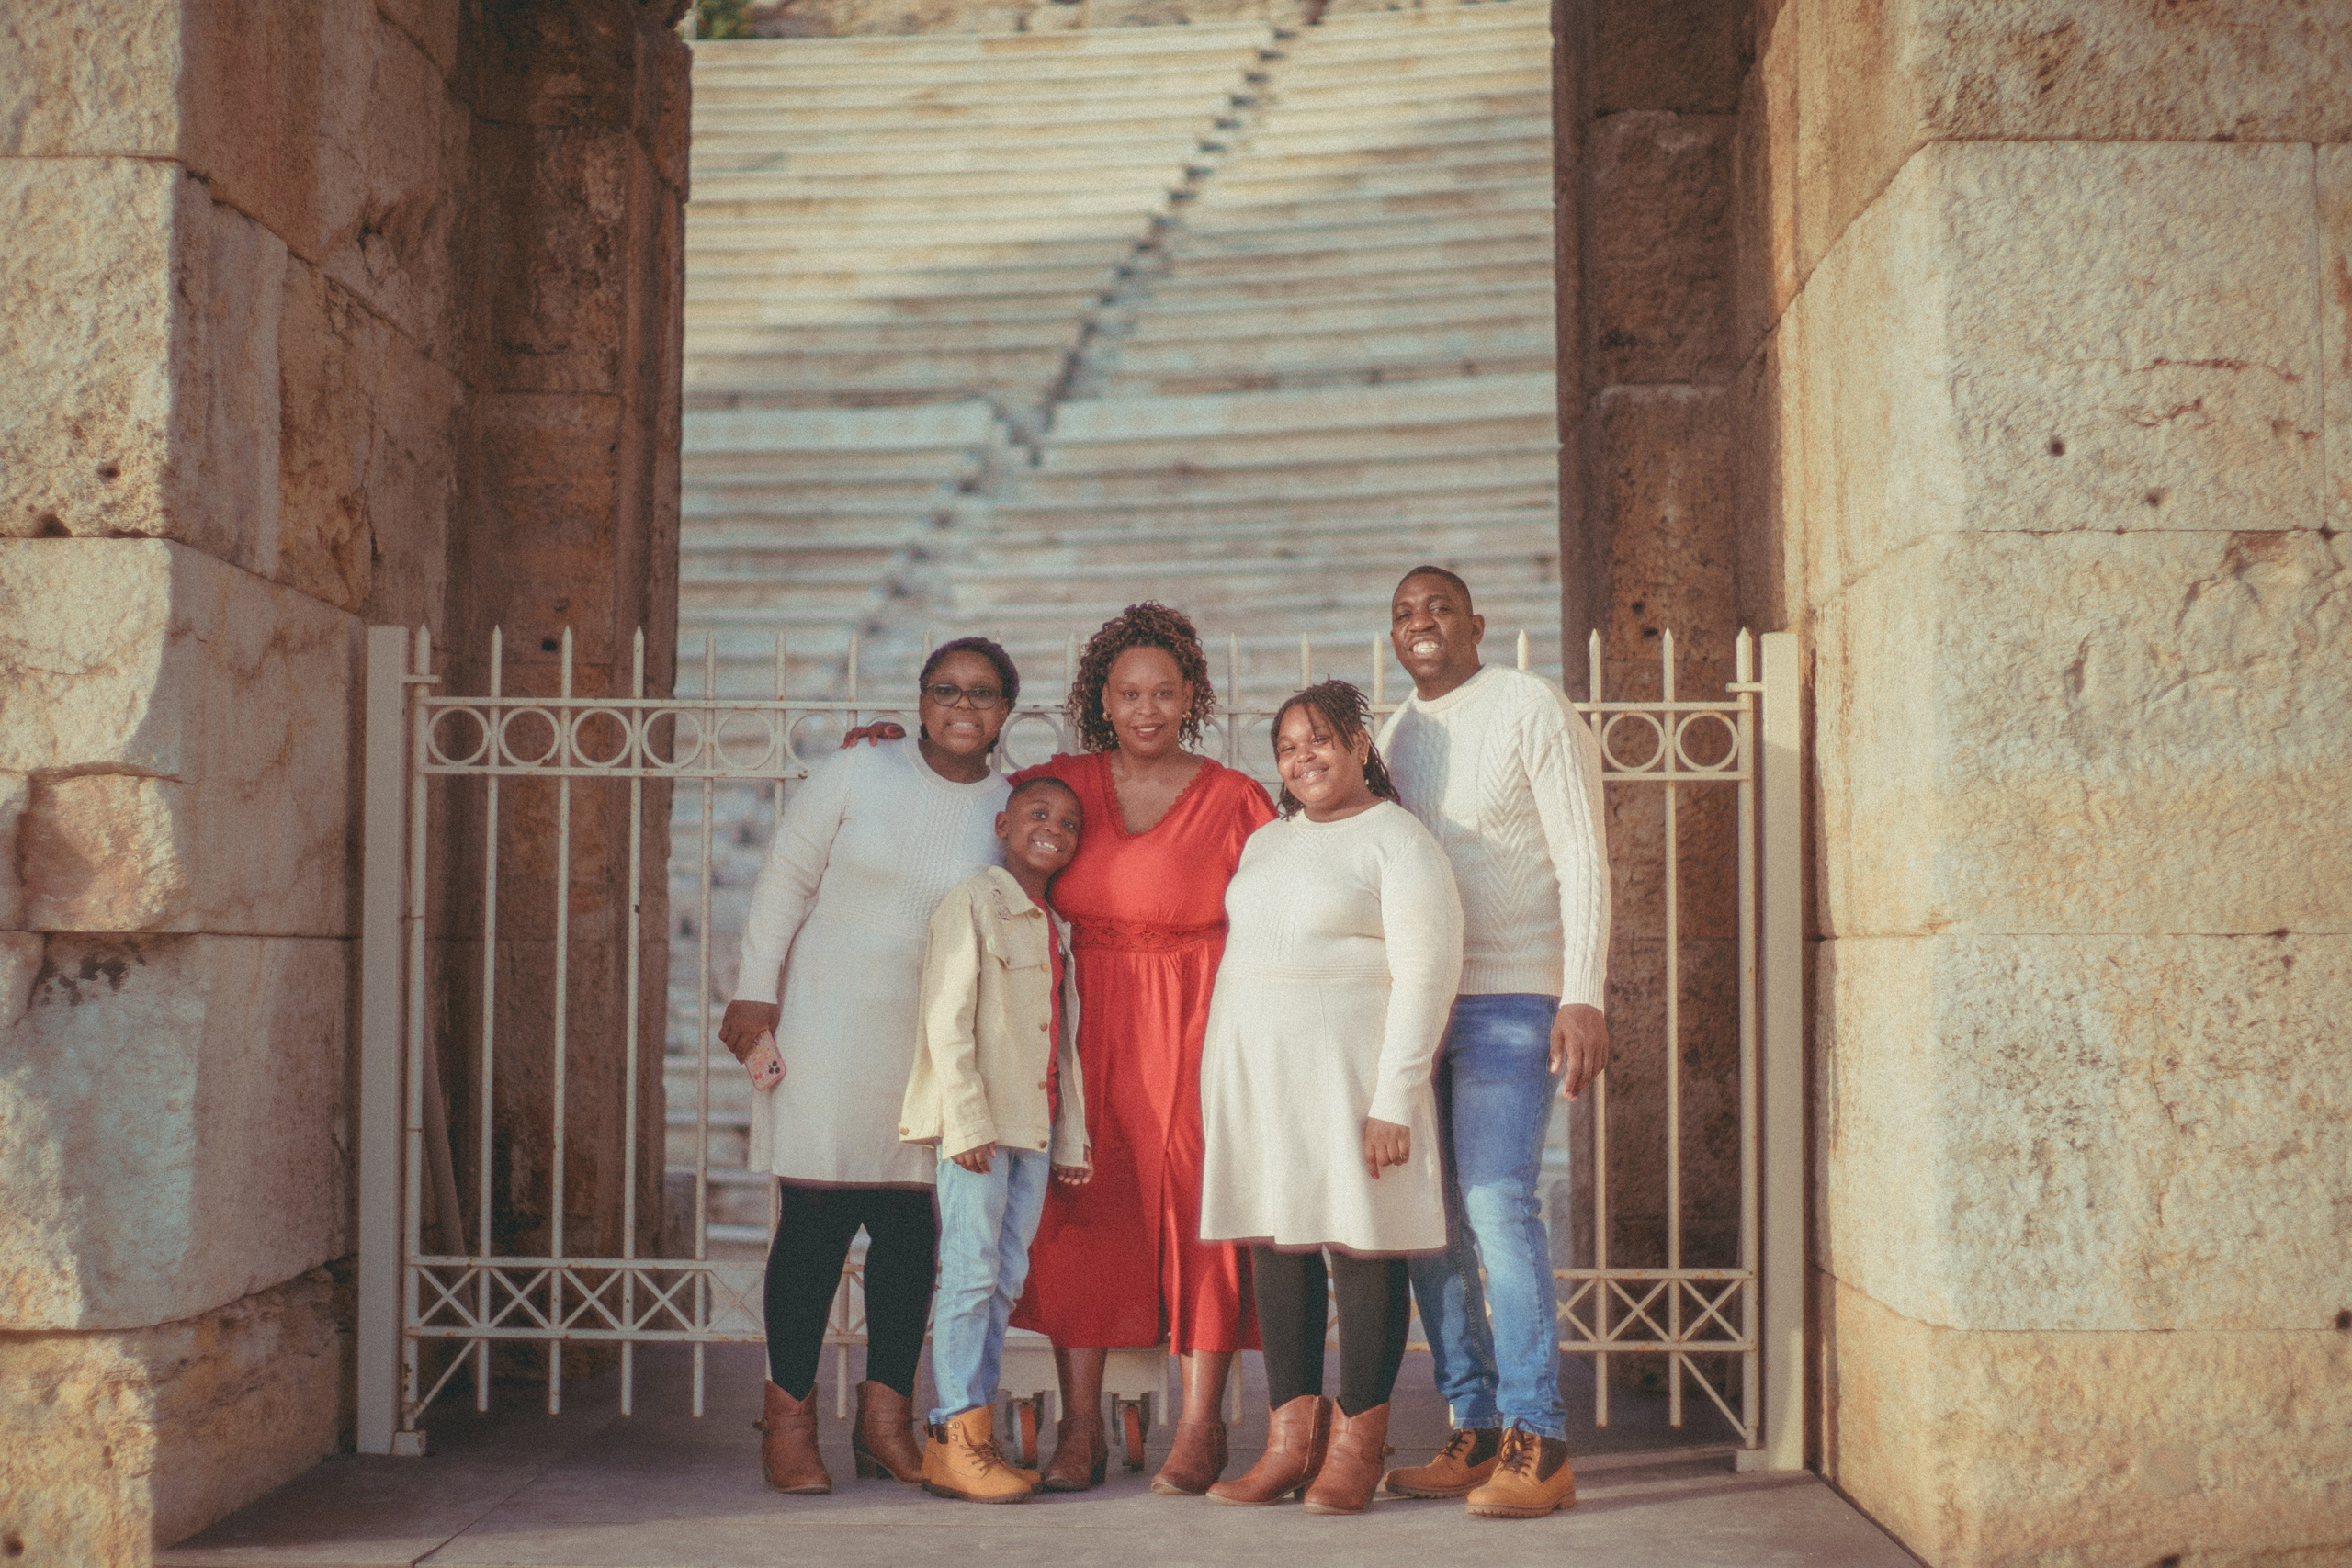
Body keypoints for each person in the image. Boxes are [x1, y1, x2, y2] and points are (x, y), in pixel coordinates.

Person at [834, 604, 1274, 1496]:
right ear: (1099, 699)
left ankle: (1199, 1429)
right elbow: (959, 805)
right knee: (1083, 1221)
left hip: (1199, 1024)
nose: (1145, 708)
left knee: (1209, 1219)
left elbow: (1287, 896)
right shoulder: (1056, 782)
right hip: (1074, 1029)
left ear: (1190, 695)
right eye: (1127, 692)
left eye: (1163, 692)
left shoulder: (1235, 796)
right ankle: (1080, 1431)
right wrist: (885, 754)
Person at [717, 637, 1023, 1496]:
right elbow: (784, 877)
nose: (964, 706)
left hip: (933, 1045)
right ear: (920, 698)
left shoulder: (1008, 806)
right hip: (829, 1024)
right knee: (814, 1222)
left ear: (1007, 711)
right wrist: (753, 994)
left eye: (984, 693)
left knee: (909, 1231)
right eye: (946, 689)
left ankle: (886, 1424)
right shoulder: (858, 770)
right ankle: (788, 1423)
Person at [1375, 566, 1611, 1520]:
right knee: (1429, 1227)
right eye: (1403, 612)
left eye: (1437, 606)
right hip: (1417, 1008)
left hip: (1514, 998)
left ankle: (1536, 1437)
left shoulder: (1527, 703)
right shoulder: (1395, 734)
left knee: (1496, 1206)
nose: (1420, 622)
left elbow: (1582, 851)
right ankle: (1472, 1428)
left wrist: (1582, 991)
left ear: (1476, 621)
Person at [1197, 682, 1464, 1515]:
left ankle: (1356, 1445)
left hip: (1356, 1082)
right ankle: (1289, 1445)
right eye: (1286, 746)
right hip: (1265, 1082)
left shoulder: (1398, 839)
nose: (1302, 757)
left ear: (1357, 742)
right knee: (1278, 1246)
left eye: (1319, 739)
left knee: (1362, 1246)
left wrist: (1395, 1096)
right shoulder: (1268, 841)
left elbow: (1428, 975)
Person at [899, 776, 1094, 1504]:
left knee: (1004, 1278)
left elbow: (1062, 1045)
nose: (1055, 828)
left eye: (1070, 822)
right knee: (970, 1271)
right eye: (1039, 814)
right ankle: (955, 1430)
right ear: (1005, 823)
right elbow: (945, 1016)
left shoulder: (1055, 926)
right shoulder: (976, 898)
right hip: (981, 1128)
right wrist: (967, 1120)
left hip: (1033, 1130)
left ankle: (972, 1436)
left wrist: (1069, 1138)